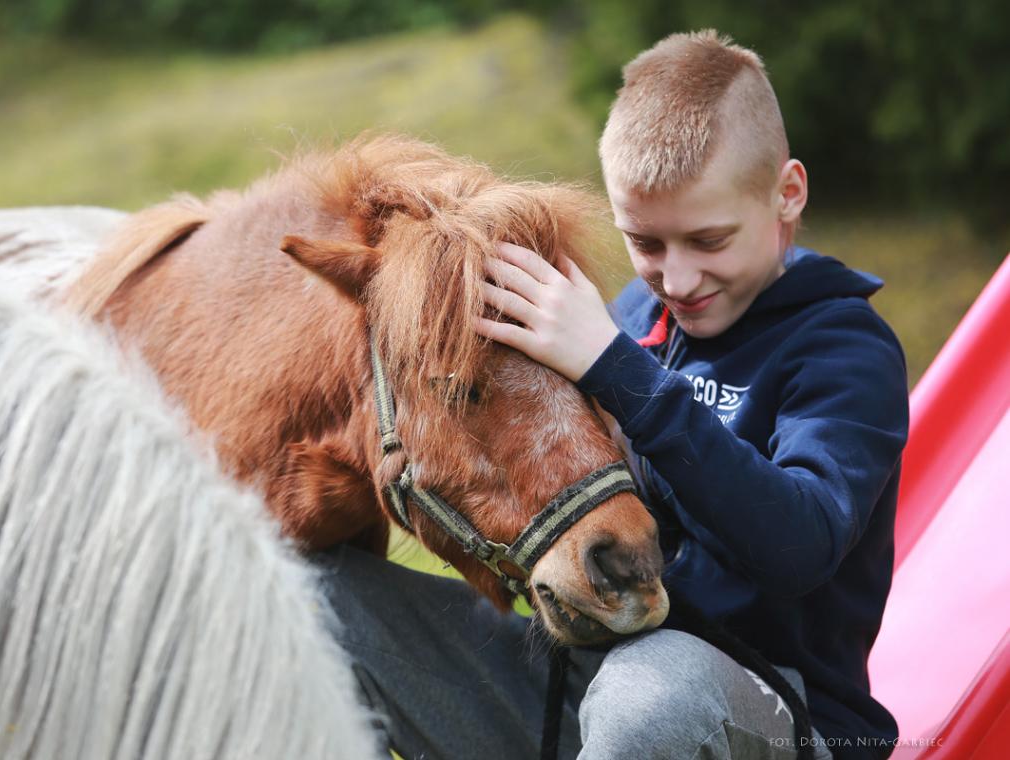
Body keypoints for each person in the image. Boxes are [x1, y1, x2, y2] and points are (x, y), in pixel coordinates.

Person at [317, 29, 906, 760]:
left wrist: (617, 369)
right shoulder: (630, 317)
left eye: (709, 241)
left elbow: (797, 546)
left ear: (788, 194)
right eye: (647, 244)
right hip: (583, 689)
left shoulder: (844, 350)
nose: (679, 279)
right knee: (312, 602)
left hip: (772, 715)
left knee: (652, 700)